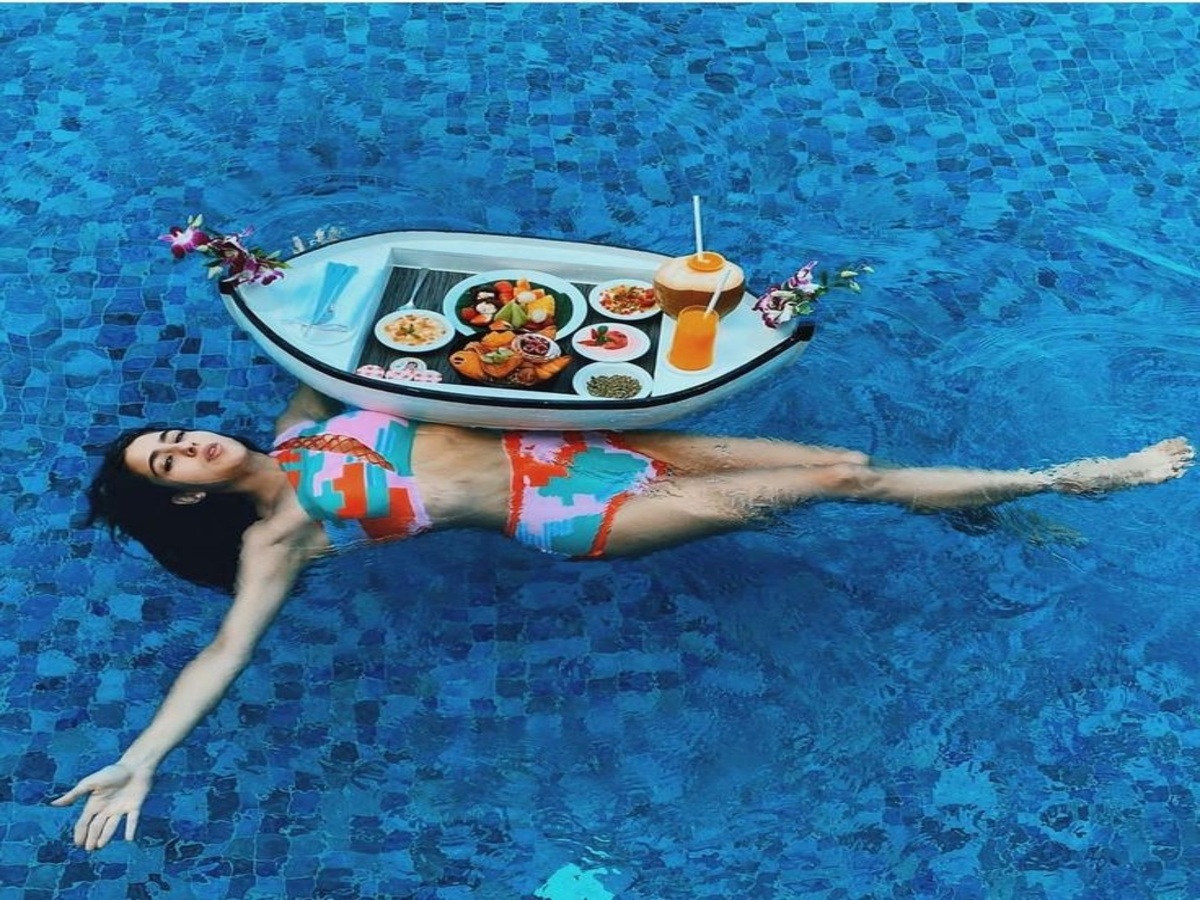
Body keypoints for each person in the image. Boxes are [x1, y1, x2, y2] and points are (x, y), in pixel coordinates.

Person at [52, 384, 1193, 850]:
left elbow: (304, 318)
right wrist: (142, 757)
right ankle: (1080, 479)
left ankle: (980, 515)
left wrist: (234, 265)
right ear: (186, 496)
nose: (187, 442)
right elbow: (225, 652)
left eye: (172, 431)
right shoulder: (278, 532)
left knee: (847, 460)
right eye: (168, 462)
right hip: (570, 514)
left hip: (597, 447)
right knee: (835, 485)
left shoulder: (300, 420)